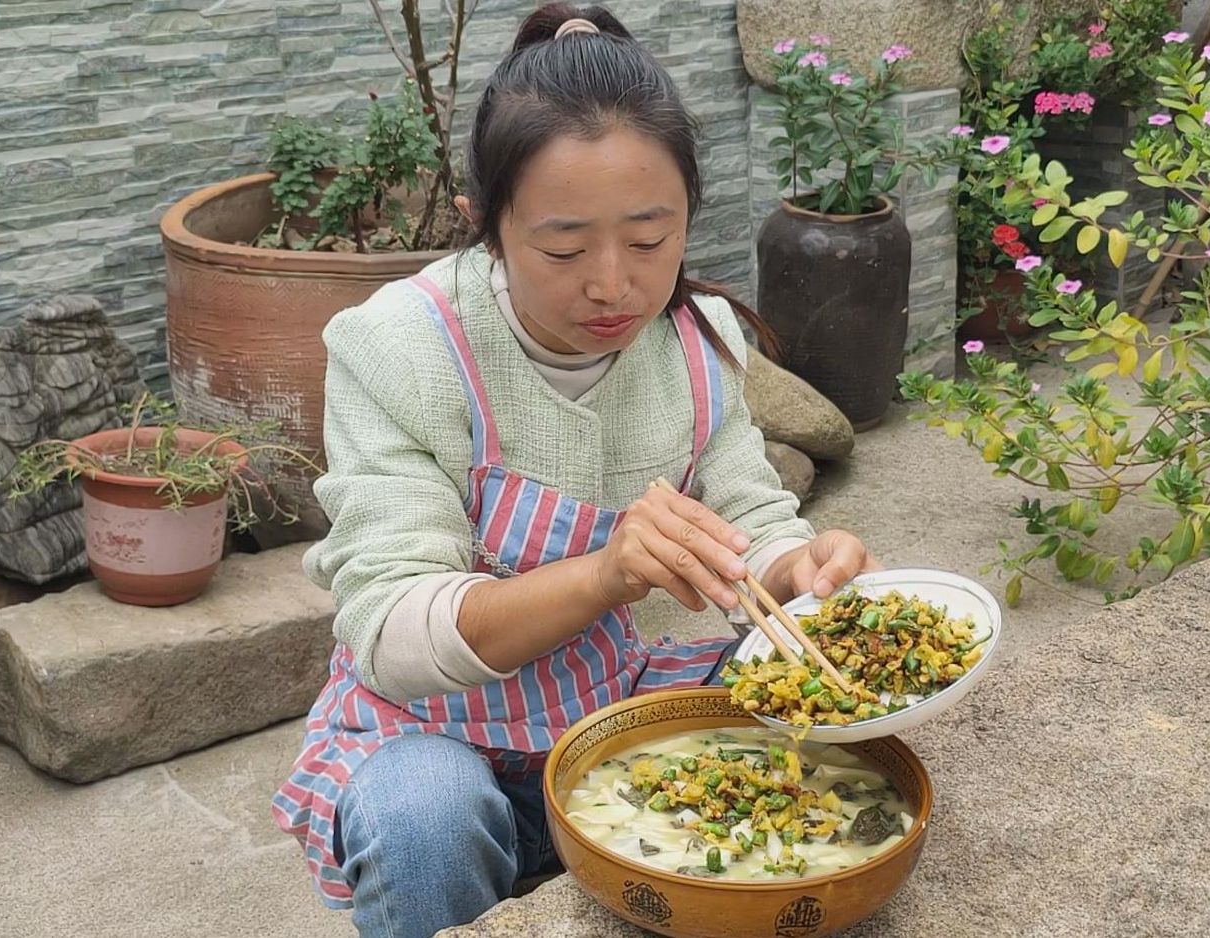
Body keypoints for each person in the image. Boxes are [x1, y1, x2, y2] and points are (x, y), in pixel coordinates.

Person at [272, 5, 881, 936]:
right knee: (424, 821)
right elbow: (392, 637)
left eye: (650, 240)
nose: (614, 285)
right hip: (431, 731)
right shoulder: (399, 348)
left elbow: (751, 518)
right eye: (562, 248)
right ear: (487, 226)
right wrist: (607, 574)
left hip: (618, 700)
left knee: (838, 699)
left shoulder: (695, 341)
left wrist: (797, 573)